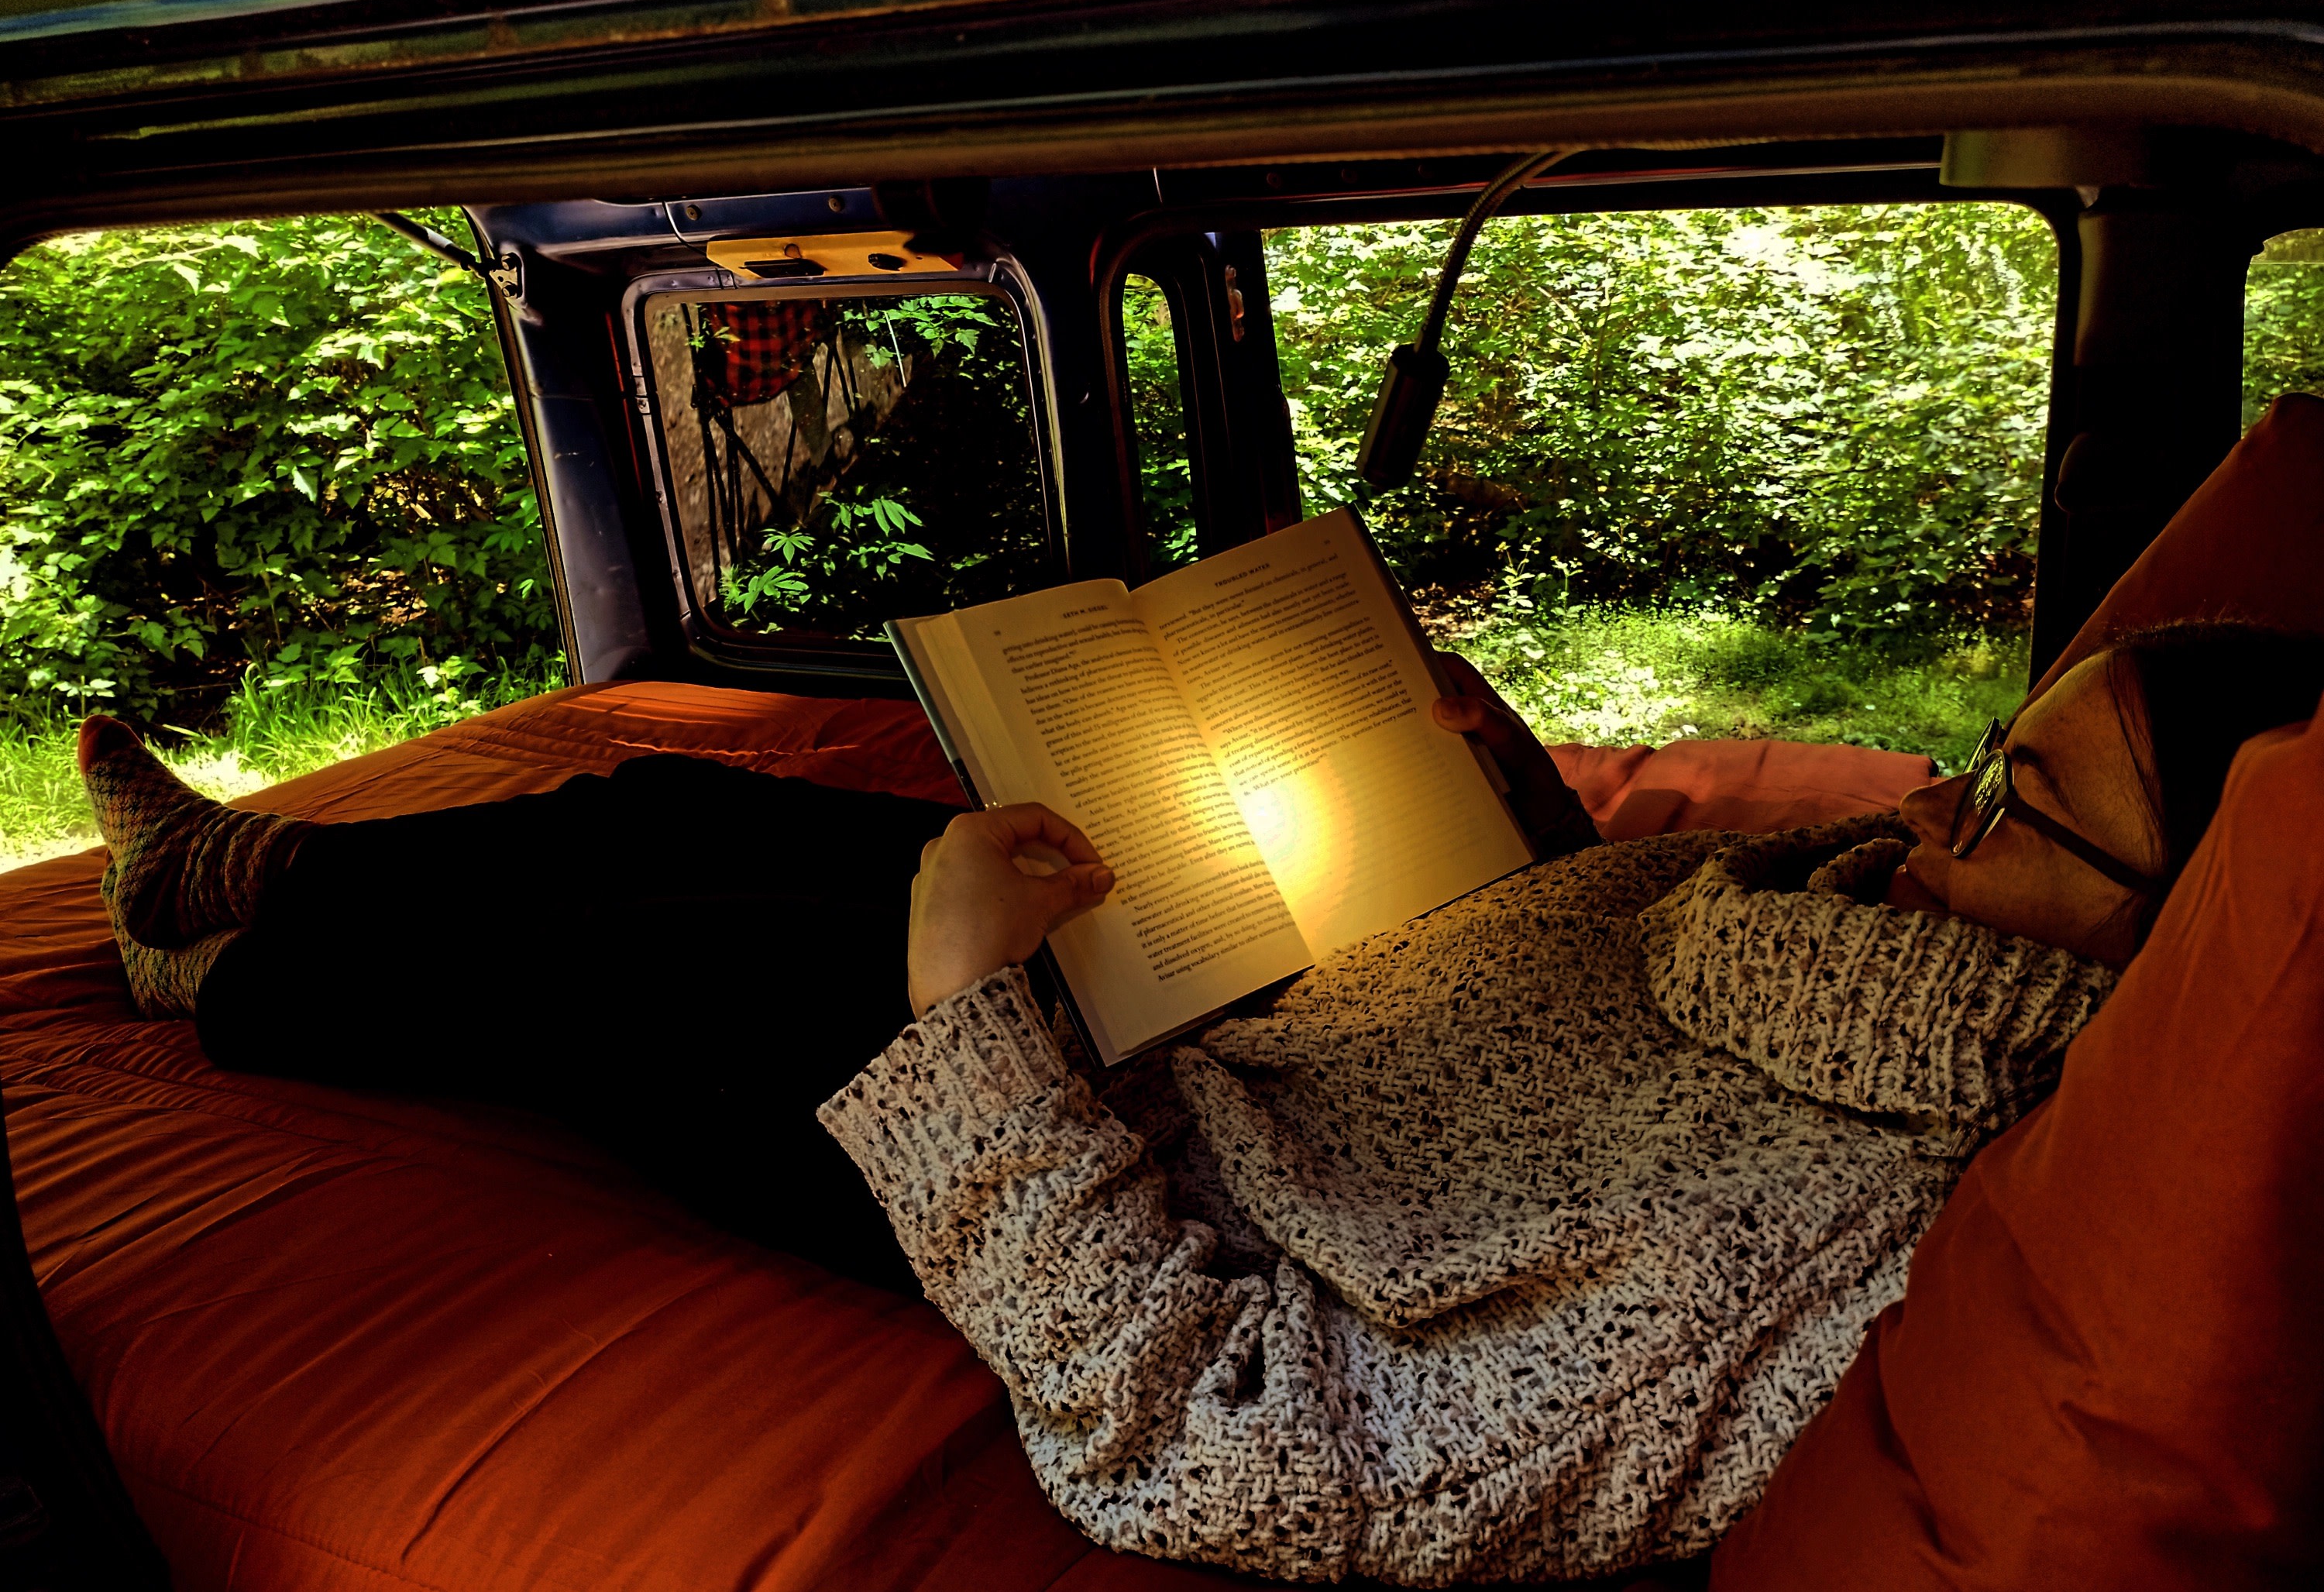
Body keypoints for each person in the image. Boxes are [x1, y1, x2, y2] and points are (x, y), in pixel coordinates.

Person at [72, 624, 2324, 1578]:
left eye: (2017, 806)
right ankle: (254, 866)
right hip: (1252, 1006)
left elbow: (1254, 1442)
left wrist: (968, 1015)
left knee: (658, 952)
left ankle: (234, 972)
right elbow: (1604, 1011)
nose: (1933, 800)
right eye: (1981, 752)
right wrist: (1501, 821)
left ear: (2180, 936)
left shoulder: (1846, 1232)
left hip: (1095, 1147)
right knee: (680, 795)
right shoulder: (1857, 924)